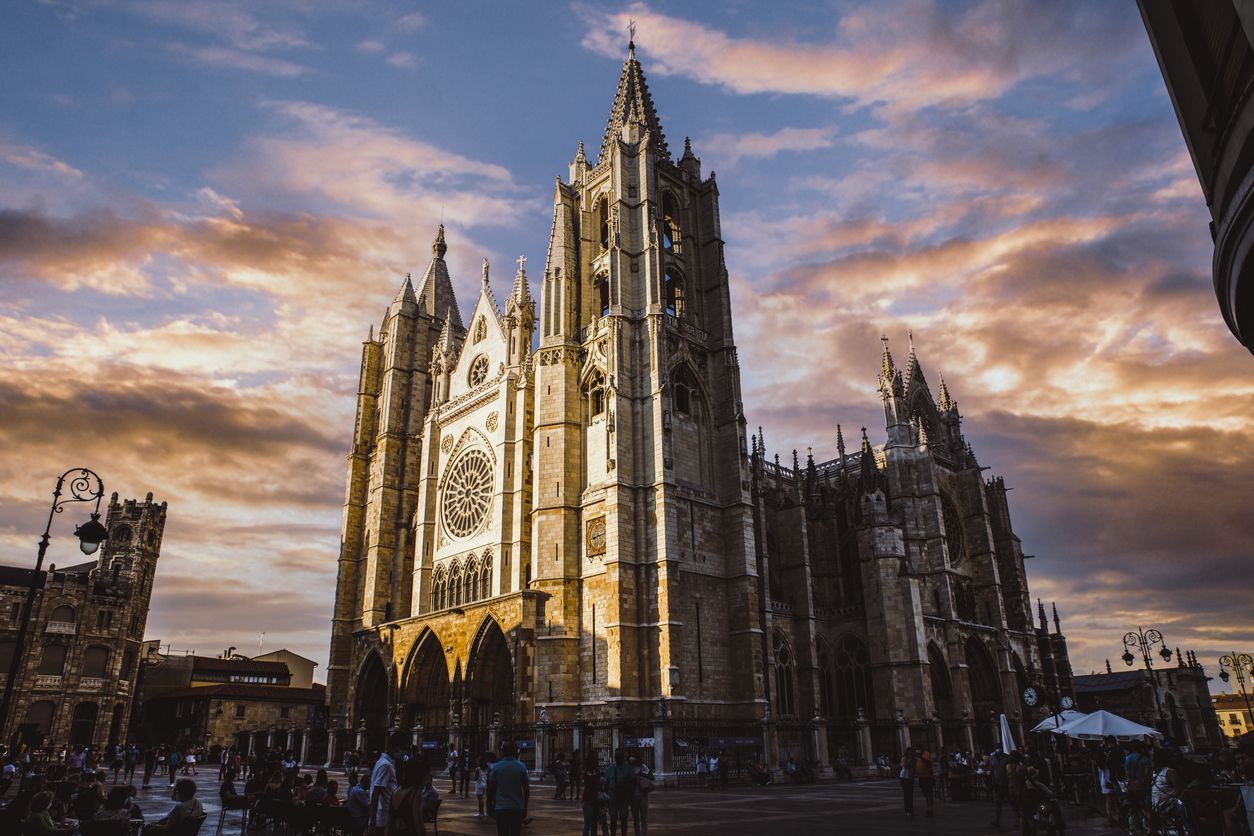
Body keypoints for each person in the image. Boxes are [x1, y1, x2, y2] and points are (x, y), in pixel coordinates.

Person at [487, 740, 530, 836]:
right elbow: (526, 790)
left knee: (502, 833)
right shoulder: (521, 767)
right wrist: (525, 807)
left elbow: (491, 789)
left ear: (503, 752)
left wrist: (489, 805)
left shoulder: (497, 767)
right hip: (517, 807)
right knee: (515, 833)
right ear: (515, 751)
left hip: (501, 807)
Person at [369, 733, 405, 836]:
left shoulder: (383, 762)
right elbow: (375, 794)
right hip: (382, 819)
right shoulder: (386, 765)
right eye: (402, 748)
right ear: (393, 747)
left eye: (406, 749)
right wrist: (372, 823)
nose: (404, 752)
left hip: (384, 817)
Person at [387, 758, 428, 836]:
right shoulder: (415, 793)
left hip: (394, 831)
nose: (425, 780)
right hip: (408, 831)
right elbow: (418, 821)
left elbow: (389, 820)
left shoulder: (396, 790)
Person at [603, 748, 635, 836]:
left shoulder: (628, 768)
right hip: (612, 795)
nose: (618, 757)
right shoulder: (610, 768)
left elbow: (632, 782)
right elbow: (606, 783)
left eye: (620, 755)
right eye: (617, 756)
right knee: (613, 818)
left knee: (623, 818)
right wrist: (606, 797)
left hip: (623, 796)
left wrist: (629, 795)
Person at [580, 752, 603, 836]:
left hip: (596, 800)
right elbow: (589, 783)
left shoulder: (597, 770)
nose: (596, 760)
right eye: (594, 758)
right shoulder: (586, 771)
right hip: (588, 800)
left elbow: (599, 784)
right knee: (588, 824)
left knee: (594, 825)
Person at [630, 755, 653, 836]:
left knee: (644, 818)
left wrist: (641, 776)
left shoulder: (643, 766)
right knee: (635, 819)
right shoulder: (628, 768)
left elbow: (651, 775)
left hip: (643, 795)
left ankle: (644, 834)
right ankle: (637, 834)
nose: (631, 758)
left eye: (633, 756)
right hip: (633, 796)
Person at [989, 748, 1011, 828]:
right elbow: (991, 771)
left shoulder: (1007, 757)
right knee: (998, 803)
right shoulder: (992, 758)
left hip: (1007, 783)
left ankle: (1018, 818)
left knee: (1012, 801)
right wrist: (993, 782)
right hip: (997, 784)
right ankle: (997, 820)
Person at [915, 747, 936, 817]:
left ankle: (931, 808)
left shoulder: (926, 754)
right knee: (925, 793)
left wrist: (922, 758)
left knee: (929, 793)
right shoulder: (918, 757)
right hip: (921, 777)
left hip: (928, 777)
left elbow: (929, 762)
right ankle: (928, 807)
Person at [900, 747, 916, 817]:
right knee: (907, 794)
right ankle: (907, 810)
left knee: (910, 794)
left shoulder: (913, 759)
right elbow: (905, 765)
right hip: (904, 777)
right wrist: (911, 761)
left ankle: (911, 810)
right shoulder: (905, 758)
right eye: (910, 752)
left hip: (910, 777)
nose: (911, 753)